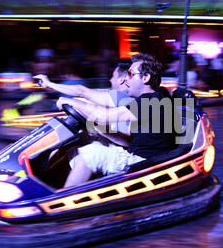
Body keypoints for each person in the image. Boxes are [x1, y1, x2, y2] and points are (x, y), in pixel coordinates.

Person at [54, 53, 177, 188]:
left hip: (144, 164)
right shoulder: (148, 101)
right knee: (76, 149)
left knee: (92, 153)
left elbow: (104, 116)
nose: (126, 80)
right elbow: (129, 140)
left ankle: (62, 202)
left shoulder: (152, 101)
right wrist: (99, 129)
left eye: (130, 74)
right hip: (137, 156)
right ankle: (55, 187)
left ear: (145, 77)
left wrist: (72, 102)